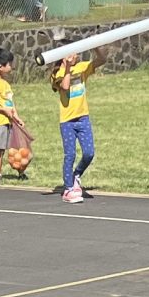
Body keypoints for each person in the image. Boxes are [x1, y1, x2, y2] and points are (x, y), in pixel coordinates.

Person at [51, 49, 99, 203]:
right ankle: (68, 189)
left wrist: (96, 46)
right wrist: (66, 66)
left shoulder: (82, 68)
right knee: (70, 155)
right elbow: (65, 86)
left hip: (83, 118)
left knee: (89, 153)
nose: (76, 55)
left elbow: (102, 59)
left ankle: (76, 175)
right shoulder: (57, 73)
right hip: (67, 121)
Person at [0, 48, 28, 180]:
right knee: (0, 148)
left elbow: (10, 102)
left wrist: (16, 117)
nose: (11, 66)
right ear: (0, 67)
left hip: (10, 120)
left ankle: (20, 172)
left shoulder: (6, 83)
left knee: (16, 149)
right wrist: (3, 110)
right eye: (9, 64)